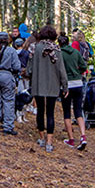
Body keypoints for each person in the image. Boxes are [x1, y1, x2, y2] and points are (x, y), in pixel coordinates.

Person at [27, 25, 68, 153]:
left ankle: (41, 137)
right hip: (53, 85)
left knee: (40, 110)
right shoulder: (57, 50)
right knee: (50, 112)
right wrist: (65, 86)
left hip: (39, 84)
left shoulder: (36, 48)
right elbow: (62, 70)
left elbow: (29, 69)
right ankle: (49, 142)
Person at [0, 32, 22, 135]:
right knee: (8, 101)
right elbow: (17, 67)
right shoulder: (12, 51)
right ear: (7, 40)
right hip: (7, 77)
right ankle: (8, 126)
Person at [58, 33, 87, 150]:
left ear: (59, 43)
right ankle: (83, 136)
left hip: (66, 85)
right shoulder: (76, 52)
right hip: (78, 83)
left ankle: (71, 139)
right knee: (78, 110)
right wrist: (78, 72)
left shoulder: (59, 54)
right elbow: (84, 66)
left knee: (66, 112)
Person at [15, 37, 31, 123]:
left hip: (16, 76)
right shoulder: (27, 53)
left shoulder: (13, 53)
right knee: (25, 98)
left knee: (18, 97)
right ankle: (22, 116)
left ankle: (18, 116)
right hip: (25, 76)